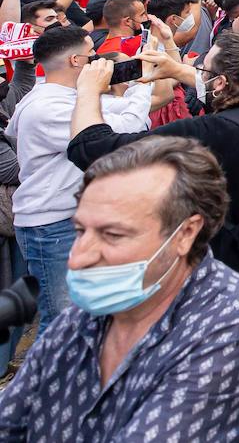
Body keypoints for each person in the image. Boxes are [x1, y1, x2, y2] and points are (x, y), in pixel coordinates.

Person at [66, 35, 239, 442]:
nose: (200, 76)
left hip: (235, 283)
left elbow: (95, 151)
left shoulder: (210, 132)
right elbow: (231, 83)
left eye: (205, 71)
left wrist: (87, 92)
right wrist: (179, 71)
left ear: (222, 83)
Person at [0, 137, 239, 441]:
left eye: (112, 234)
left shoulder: (235, 322)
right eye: (80, 230)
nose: (78, 256)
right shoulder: (84, 320)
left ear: (186, 233)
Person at [10, 25, 154, 332]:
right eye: (92, 55)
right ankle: (55, 379)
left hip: (71, 218)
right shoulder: (48, 107)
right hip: (52, 226)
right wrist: (141, 85)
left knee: (89, 313)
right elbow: (122, 132)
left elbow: (122, 111)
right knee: (63, 322)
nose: (98, 61)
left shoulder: (67, 98)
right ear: (76, 61)